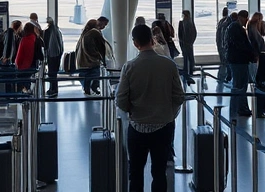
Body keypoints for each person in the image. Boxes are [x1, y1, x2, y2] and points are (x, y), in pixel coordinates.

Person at [116, 24, 185, 192]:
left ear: (135, 43)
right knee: (159, 172)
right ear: (152, 39)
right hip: (163, 126)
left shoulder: (129, 67)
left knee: (136, 173)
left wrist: (132, 111)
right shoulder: (168, 65)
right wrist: (169, 113)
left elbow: (121, 99)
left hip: (137, 127)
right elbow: (179, 96)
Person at [225, 10, 257, 120]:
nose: (246, 20)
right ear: (240, 17)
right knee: (240, 85)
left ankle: (240, 108)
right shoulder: (236, 28)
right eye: (245, 18)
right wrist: (251, 55)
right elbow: (241, 45)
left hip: (238, 60)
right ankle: (239, 108)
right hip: (238, 61)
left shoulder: (234, 27)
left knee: (240, 85)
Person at [76, 19, 108, 96]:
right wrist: (98, 57)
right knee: (95, 74)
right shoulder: (92, 34)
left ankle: (88, 89)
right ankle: (93, 88)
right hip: (91, 61)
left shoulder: (84, 34)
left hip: (83, 61)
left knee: (88, 76)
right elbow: (92, 49)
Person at [248, 12, 265, 116]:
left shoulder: (252, 27)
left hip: (258, 56)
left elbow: (263, 33)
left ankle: (260, 109)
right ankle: (260, 109)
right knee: (260, 82)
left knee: (258, 82)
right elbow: (257, 41)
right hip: (260, 56)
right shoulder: (253, 28)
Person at [14, 22, 45, 93]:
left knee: (22, 85)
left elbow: (19, 55)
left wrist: (17, 66)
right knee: (31, 86)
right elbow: (41, 55)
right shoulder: (37, 39)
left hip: (23, 68)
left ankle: (24, 97)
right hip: (34, 67)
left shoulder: (24, 40)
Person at [44, 17, 64, 97]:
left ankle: (52, 89)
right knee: (54, 73)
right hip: (57, 54)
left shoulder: (47, 32)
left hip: (51, 55)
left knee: (51, 73)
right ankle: (54, 89)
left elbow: (45, 44)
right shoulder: (57, 31)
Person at [177, 10, 197, 86]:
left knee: (188, 57)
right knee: (188, 57)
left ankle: (189, 71)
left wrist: (187, 42)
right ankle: (188, 71)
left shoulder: (187, 22)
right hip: (187, 43)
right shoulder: (189, 22)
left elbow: (180, 34)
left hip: (187, 43)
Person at [215, 7, 231, 84]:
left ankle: (225, 75)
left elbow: (219, 34)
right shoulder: (227, 21)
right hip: (223, 44)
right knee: (226, 61)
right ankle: (227, 75)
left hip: (220, 43)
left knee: (224, 61)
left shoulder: (221, 22)